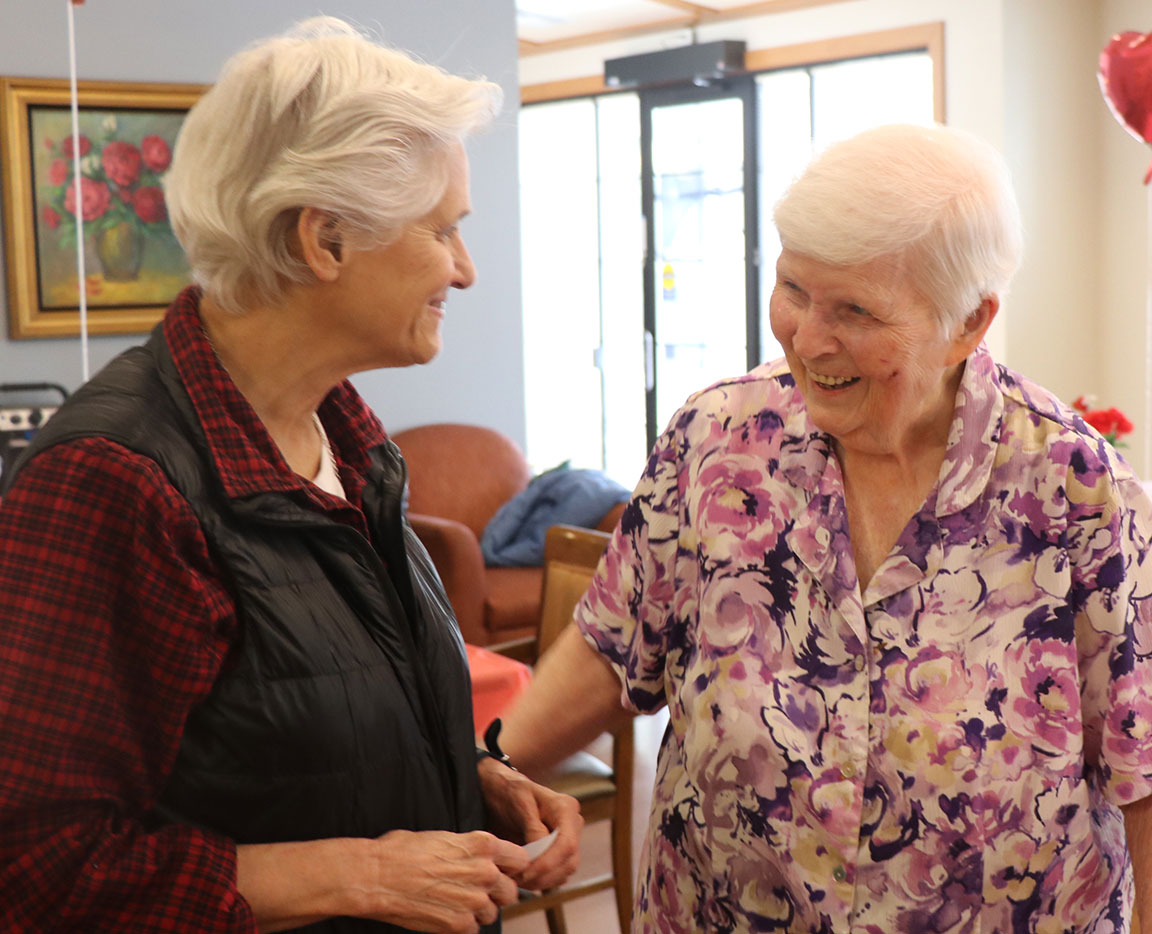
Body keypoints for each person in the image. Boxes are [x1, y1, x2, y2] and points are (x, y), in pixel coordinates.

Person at [0, 17, 581, 934]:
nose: (464, 271)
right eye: (442, 231)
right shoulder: (115, 484)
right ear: (324, 241)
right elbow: (39, 868)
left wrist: (476, 780)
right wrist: (360, 877)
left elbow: (300, 730)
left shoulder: (344, 441)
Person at [497, 123, 1152, 933]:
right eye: (794, 289)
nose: (807, 340)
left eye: (855, 310)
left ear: (967, 325)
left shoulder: (1075, 490)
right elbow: (614, 642)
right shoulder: (717, 440)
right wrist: (485, 769)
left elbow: (1142, 761)